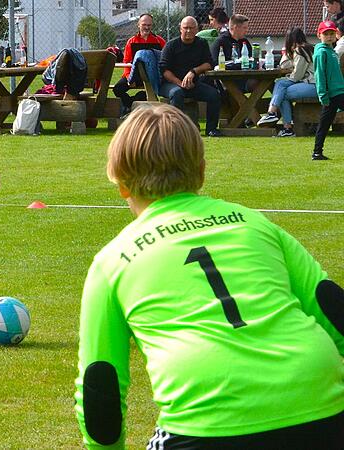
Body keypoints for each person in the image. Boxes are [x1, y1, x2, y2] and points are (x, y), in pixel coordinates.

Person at [74, 103, 344, 449]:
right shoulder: (256, 224)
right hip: (320, 401)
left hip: (207, 421)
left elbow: (101, 387)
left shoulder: (112, 261)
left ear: (121, 183)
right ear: (201, 171)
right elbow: (333, 308)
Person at [159, 16, 221, 137]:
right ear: (180, 29)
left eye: (192, 28)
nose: (188, 31)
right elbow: (164, 70)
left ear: (197, 29)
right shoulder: (171, 45)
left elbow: (209, 64)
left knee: (214, 94)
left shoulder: (201, 43)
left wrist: (193, 71)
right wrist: (180, 83)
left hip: (193, 84)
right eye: (185, 28)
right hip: (171, 84)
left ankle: (211, 129)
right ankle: (176, 131)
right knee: (177, 93)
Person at [256, 27, 316, 137]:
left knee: (281, 86)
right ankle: (286, 127)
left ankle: (274, 114)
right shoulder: (307, 48)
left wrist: (287, 77)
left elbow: (297, 76)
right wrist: (289, 54)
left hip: (312, 85)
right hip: (313, 84)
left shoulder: (300, 50)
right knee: (281, 88)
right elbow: (284, 65)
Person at [112, 13, 166, 117]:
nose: (147, 27)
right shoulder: (131, 41)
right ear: (138, 25)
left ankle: (132, 106)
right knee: (117, 89)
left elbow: (165, 60)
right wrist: (129, 78)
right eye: (144, 24)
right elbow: (126, 62)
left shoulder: (159, 41)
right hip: (134, 75)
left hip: (151, 75)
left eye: (149, 25)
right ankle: (132, 105)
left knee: (148, 93)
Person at [312, 21, 344, 161]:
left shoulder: (332, 52)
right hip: (331, 94)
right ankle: (316, 152)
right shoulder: (321, 53)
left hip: (339, 92)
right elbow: (320, 75)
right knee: (324, 124)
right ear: (319, 35)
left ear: (336, 35)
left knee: (324, 124)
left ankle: (317, 152)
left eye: (332, 33)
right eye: (326, 34)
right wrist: (323, 95)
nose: (329, 36)